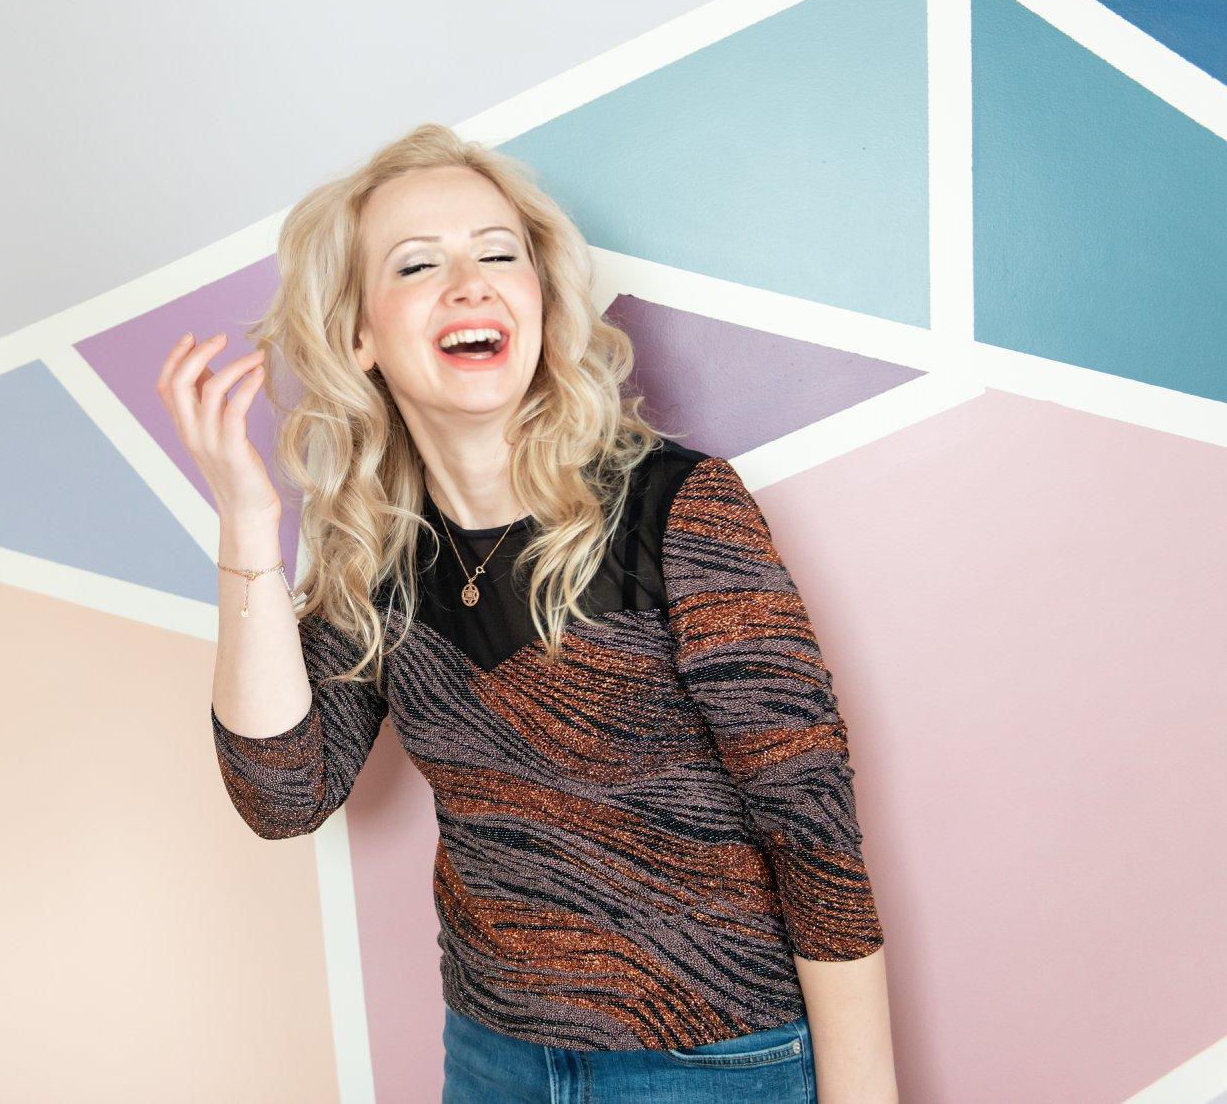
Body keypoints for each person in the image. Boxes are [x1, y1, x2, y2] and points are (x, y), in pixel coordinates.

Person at [155, 123, 897, 1103]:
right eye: (417, 263)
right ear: (359, 337)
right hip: (492, 1056)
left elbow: (813, 833)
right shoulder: (377, 556)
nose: (468, 282)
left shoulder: (676, 510)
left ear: (540, 301)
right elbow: (284, 793)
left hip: (707, 1067)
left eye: (497, 253)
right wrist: (249, 527)